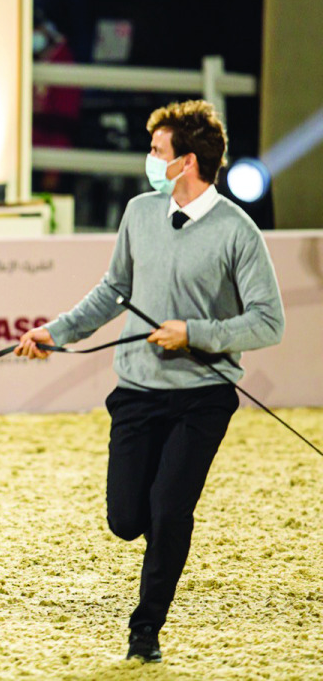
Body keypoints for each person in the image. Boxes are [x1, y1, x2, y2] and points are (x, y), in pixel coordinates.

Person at [15, 100, 284, 664]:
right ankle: (153, 544)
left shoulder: (239, 232)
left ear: (186, 162)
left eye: (157, 151)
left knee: (168, 511)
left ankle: (146, 631)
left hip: (202, 399)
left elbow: (268, 321)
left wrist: (196, 332)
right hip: (136, 392)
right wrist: (54, 333)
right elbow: (112, 291)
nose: (149, 159)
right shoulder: (139, 213)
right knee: (125, 519)